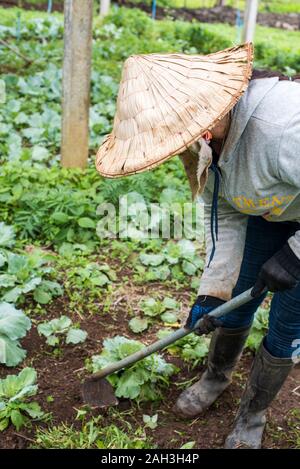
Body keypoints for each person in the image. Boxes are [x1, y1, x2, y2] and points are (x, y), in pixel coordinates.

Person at [96, 44, 300, 449]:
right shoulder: (201, 139)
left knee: (287, 323)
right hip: (270, 210)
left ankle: (253, 414)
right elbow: (223, 212)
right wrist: (212, 291)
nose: (183, 146)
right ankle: (215, 376)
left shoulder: (282, 130)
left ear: (207, 117)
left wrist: (295, 255)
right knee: (237, 298)